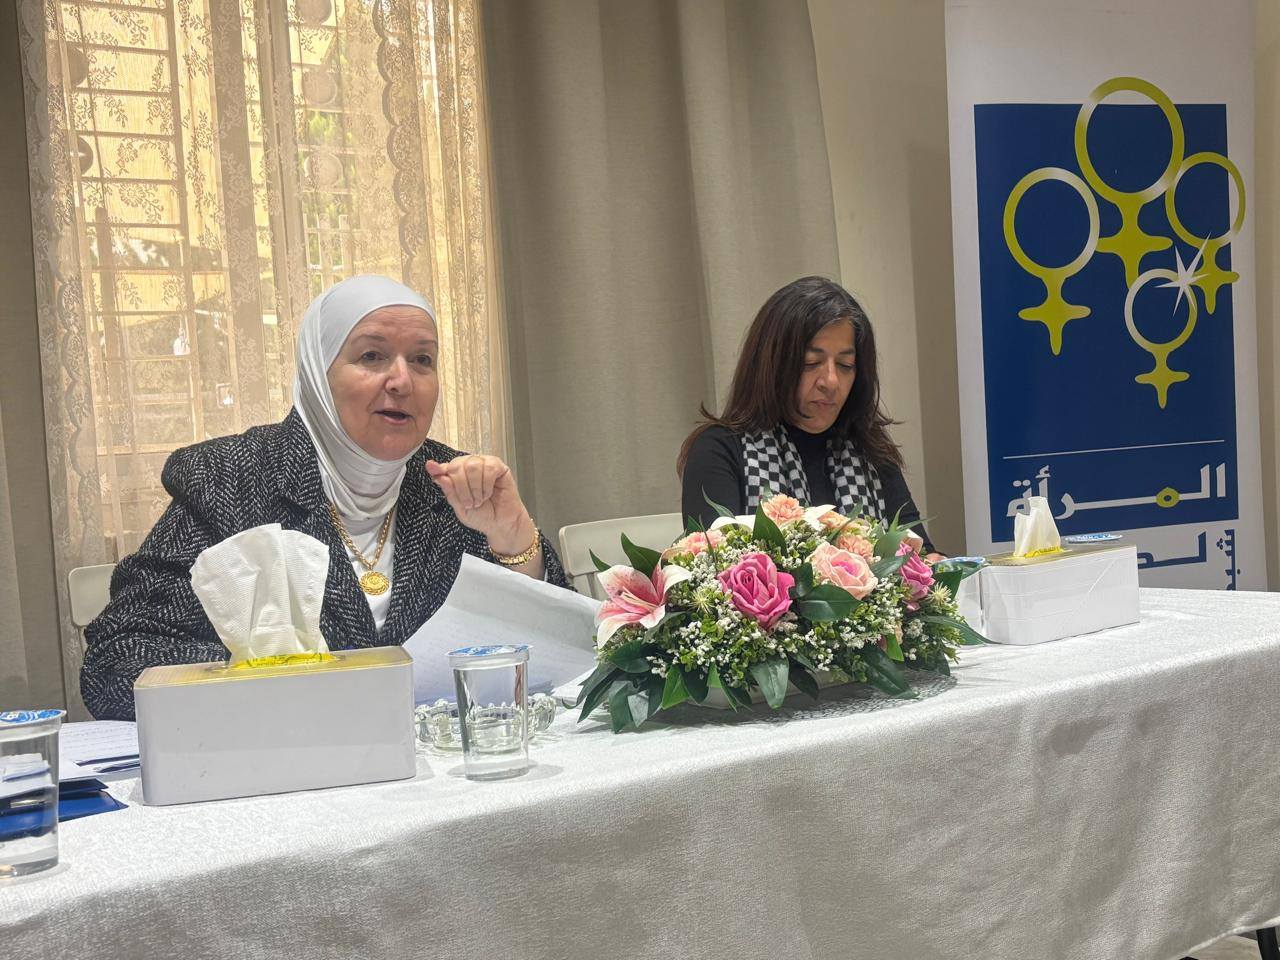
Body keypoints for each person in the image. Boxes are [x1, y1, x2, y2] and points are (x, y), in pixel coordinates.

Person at [82, 275, 567, 720]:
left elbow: (564, 660)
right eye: (372, 356)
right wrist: (287, 681)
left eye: (423, 359)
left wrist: (514, 540)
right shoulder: (230, 477)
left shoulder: (456, 484)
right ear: (318, 372)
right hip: (292, 764)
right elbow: (116, 660)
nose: (402, 381)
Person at [678, 276, 940, 558]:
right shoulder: (719, 449)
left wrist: (938, 565)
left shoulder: (869, 448)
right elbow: (710, 570)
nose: (831, 381)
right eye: (811, 363)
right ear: (772, 363)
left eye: (845, 365)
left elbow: (923, 558)